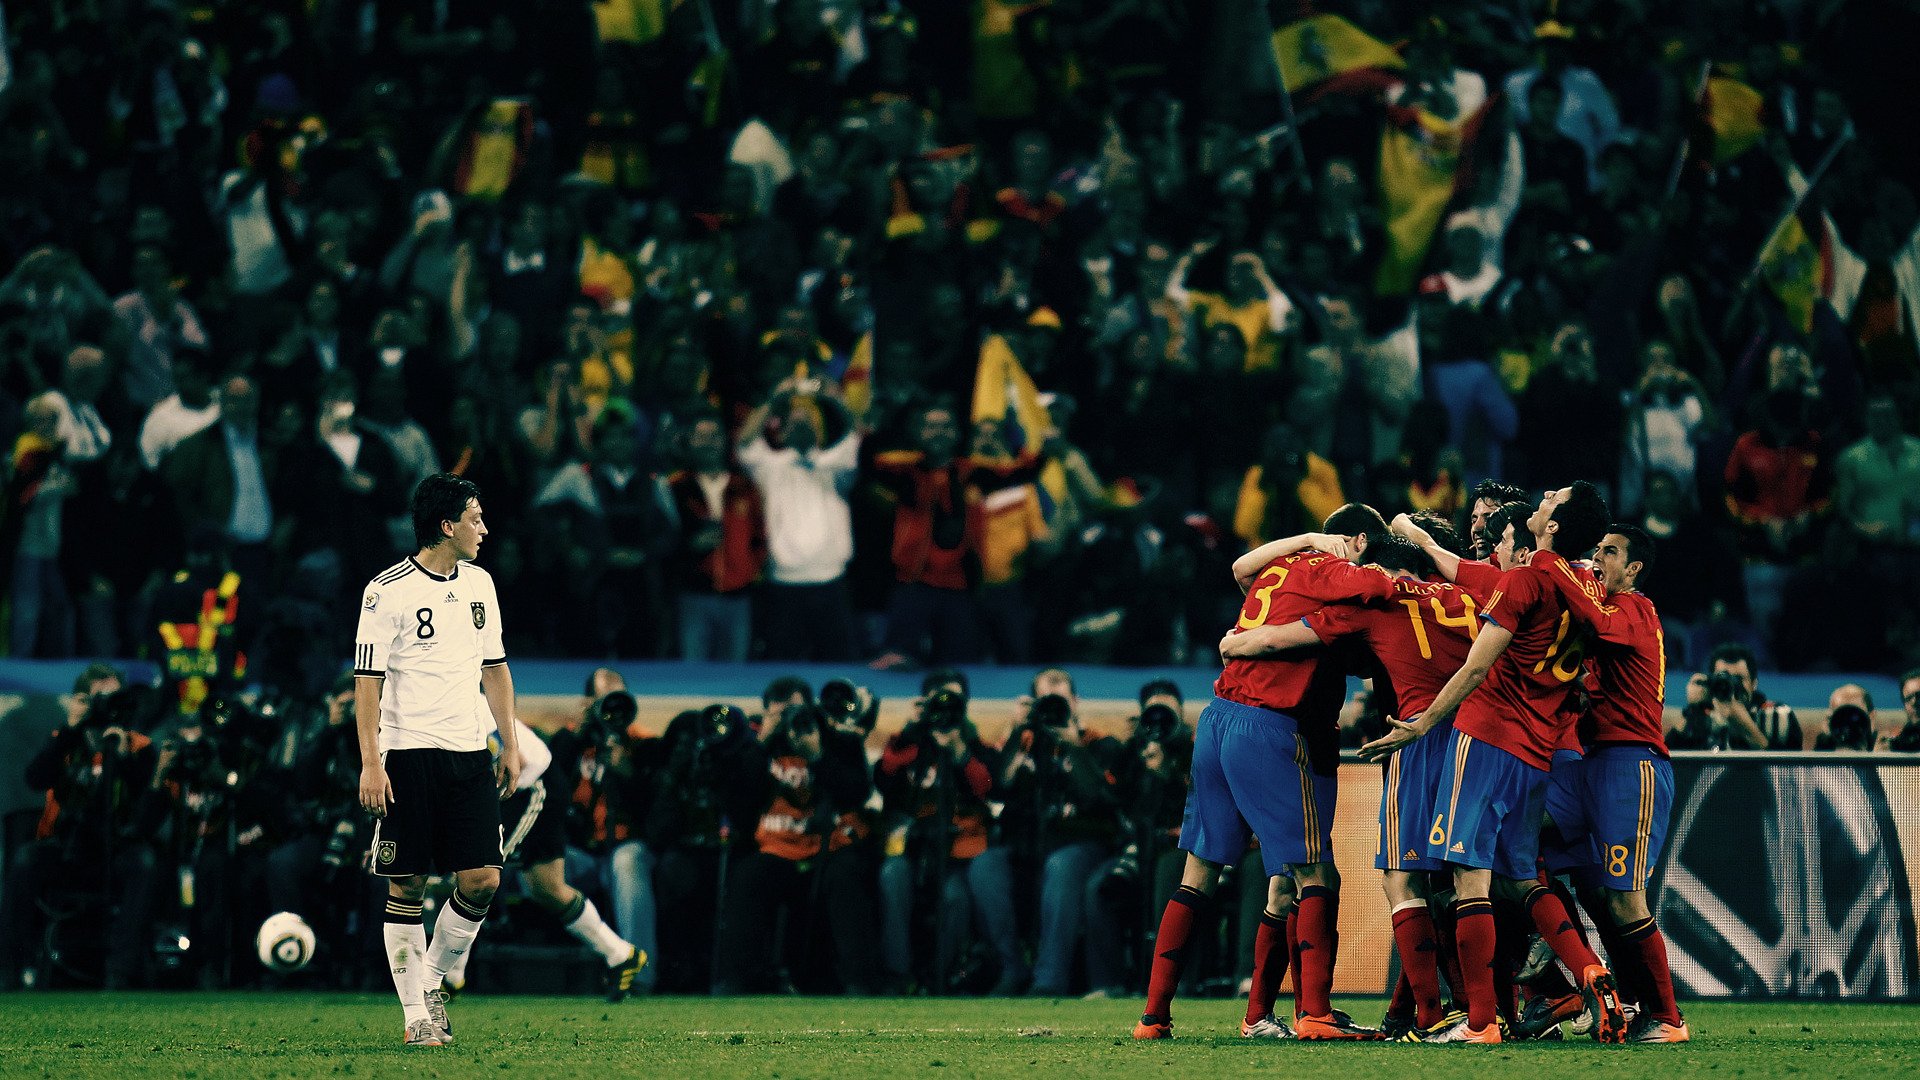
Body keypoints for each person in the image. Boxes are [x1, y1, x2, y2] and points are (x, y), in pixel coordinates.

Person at [1359, 482, 1626, 1044]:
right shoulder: (1586, 588)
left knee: (1467, 878)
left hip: (1486, 739)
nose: (1544, 496)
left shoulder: (1526, 580)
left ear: (1550, 527)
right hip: (1536, 753)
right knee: (1522, 878)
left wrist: (1425, 722)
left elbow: (1477, 668)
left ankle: (1481, 1022)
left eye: (1553, 499)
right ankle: (1586, 973)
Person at [1135, 505, 1396, 1042]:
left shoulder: (1280, 569)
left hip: (1220, 721)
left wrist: (1302, 542)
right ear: (1359, 540)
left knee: (1203, 873)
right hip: (1271, 726)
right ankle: (1316, 1015)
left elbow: (1238, 569)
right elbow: (1380, 588)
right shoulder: (1331, 569)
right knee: (1316, 873)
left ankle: (1157, 1017)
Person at [1221, 534, 1472, 1042]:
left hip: (1409, 735)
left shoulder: (1372, 604)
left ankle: (1422, 1015)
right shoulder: (1463, 598)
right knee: (1477, 879)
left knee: (1392, 880)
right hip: (1481, 740)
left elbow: (1269, 627)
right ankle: (1490, 1011)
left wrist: (1235, 642)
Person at [353, 473, 521, 1047]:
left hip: (469, 753)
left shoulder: (480, 584)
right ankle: (414, 1015)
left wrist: (510, 742)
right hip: (407, 755)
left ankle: (430, 983)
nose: (484, 529)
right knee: (408, 883)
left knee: (481, 880)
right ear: (446, 527)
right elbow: (367, 684)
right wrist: (371, 762)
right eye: (475, 518)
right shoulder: (386, 591)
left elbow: (495, 668)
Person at [1530, 526, 1690, 1042]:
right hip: (1589, 764)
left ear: (1634, 568)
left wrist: (1552, 563)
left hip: (1631, 765)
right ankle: (1564, 977)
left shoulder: (1635, 609)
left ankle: (1666, 1018)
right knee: (1519, 848)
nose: (1598, 557)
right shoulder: (1610, 618)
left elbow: (1595, 620)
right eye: (1596, 549)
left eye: (1611, 552)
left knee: (1624, 899)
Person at [442, 709, 644, 1001]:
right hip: (526, 784)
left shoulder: (459, 704)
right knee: (547, 888)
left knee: (473, 874)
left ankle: (450, 978)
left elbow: (514, 762)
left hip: (530, 784)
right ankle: (621, 954)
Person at [1668, 643, 1800, 751]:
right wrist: (1693, 708)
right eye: (1724, 678)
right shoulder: (1701, 717)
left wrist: (1744, 725)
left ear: (1754, 683)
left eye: (1739, 678)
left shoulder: (1777, 715)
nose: (1731, 685)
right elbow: (1666, 764)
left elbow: (1788, 773)